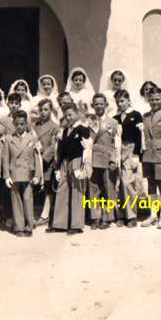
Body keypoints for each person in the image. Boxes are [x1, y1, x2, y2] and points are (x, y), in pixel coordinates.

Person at [51, 104, 91, 234]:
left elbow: (87, 149)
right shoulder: (64, 130)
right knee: (62, 190)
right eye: (66, 115)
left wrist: (83, 167)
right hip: (65, 162)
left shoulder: (83, 129)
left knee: (77, 191)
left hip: (77, 161)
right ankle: (60, 223)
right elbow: (60, 149)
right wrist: (57, 167)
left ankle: (76, 224)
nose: (68, 118)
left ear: (77, 113)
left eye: (71, 114)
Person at [3, 110, 42, 237]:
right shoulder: (9, 139)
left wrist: (37, 174)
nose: (19, 127)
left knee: (27, 199)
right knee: (16, 201)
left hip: (28, 173)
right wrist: (6, 176)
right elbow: (5, 158)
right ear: (13, 123)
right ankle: (19, 226)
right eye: (17, 124)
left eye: (22, 124)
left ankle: (29, 225)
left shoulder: (32, 138)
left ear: (26, 124)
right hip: (14, 173)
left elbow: (37, 158)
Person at [140, 88, 161, 229]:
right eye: (152, 99)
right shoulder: (145, 116)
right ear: (148, 100)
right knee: (151, 184)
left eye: (157, 99)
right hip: (147, 155)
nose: (154, 102)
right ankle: (153, 214)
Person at [88, 93, 120, 229]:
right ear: (92, 106)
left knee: (108, 189)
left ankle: (107, 217)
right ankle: (95, 217)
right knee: (93, 189)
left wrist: (114, 159)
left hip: (107, 159)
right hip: (93, 159)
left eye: (101, 103)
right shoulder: (88, 122)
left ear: (106, 105)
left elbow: (116, 143)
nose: (99, 106)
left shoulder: (113, 122)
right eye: (96, 104)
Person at [113, 90, 143, 227]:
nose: (120, 104)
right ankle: (120, 215)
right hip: (118, 150)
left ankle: (131, 215)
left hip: (131, 150)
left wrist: (137, 154)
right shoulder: (115, 118)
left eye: (122, 101)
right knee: (118, 183)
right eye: (118, 102)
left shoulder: (136, 115)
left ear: (128, 100)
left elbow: (139, 136)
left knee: (127, 182)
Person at [33, 98, 57, 227]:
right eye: (41, 110)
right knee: (36, 186)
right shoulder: (35, 125)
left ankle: (45, 214)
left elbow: (53, 146)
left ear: (51, 110)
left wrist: (43, 159)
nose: (43, 112)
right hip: (35, 159)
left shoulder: (54, 126)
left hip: (46, 161)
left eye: (46, 109)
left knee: (48, 187)